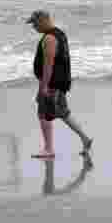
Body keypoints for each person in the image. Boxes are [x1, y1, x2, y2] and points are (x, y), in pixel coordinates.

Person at [27, 9, 93, 159]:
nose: (34, 27)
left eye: (35, 23)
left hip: (52, 84)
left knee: (44, 114)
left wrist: (43, 87)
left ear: (43, 20)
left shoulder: (49, 38)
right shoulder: (59, 34)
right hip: (59, 82)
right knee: (63, 113)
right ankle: (85, 138)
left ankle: (49, 149)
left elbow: (48, 65)